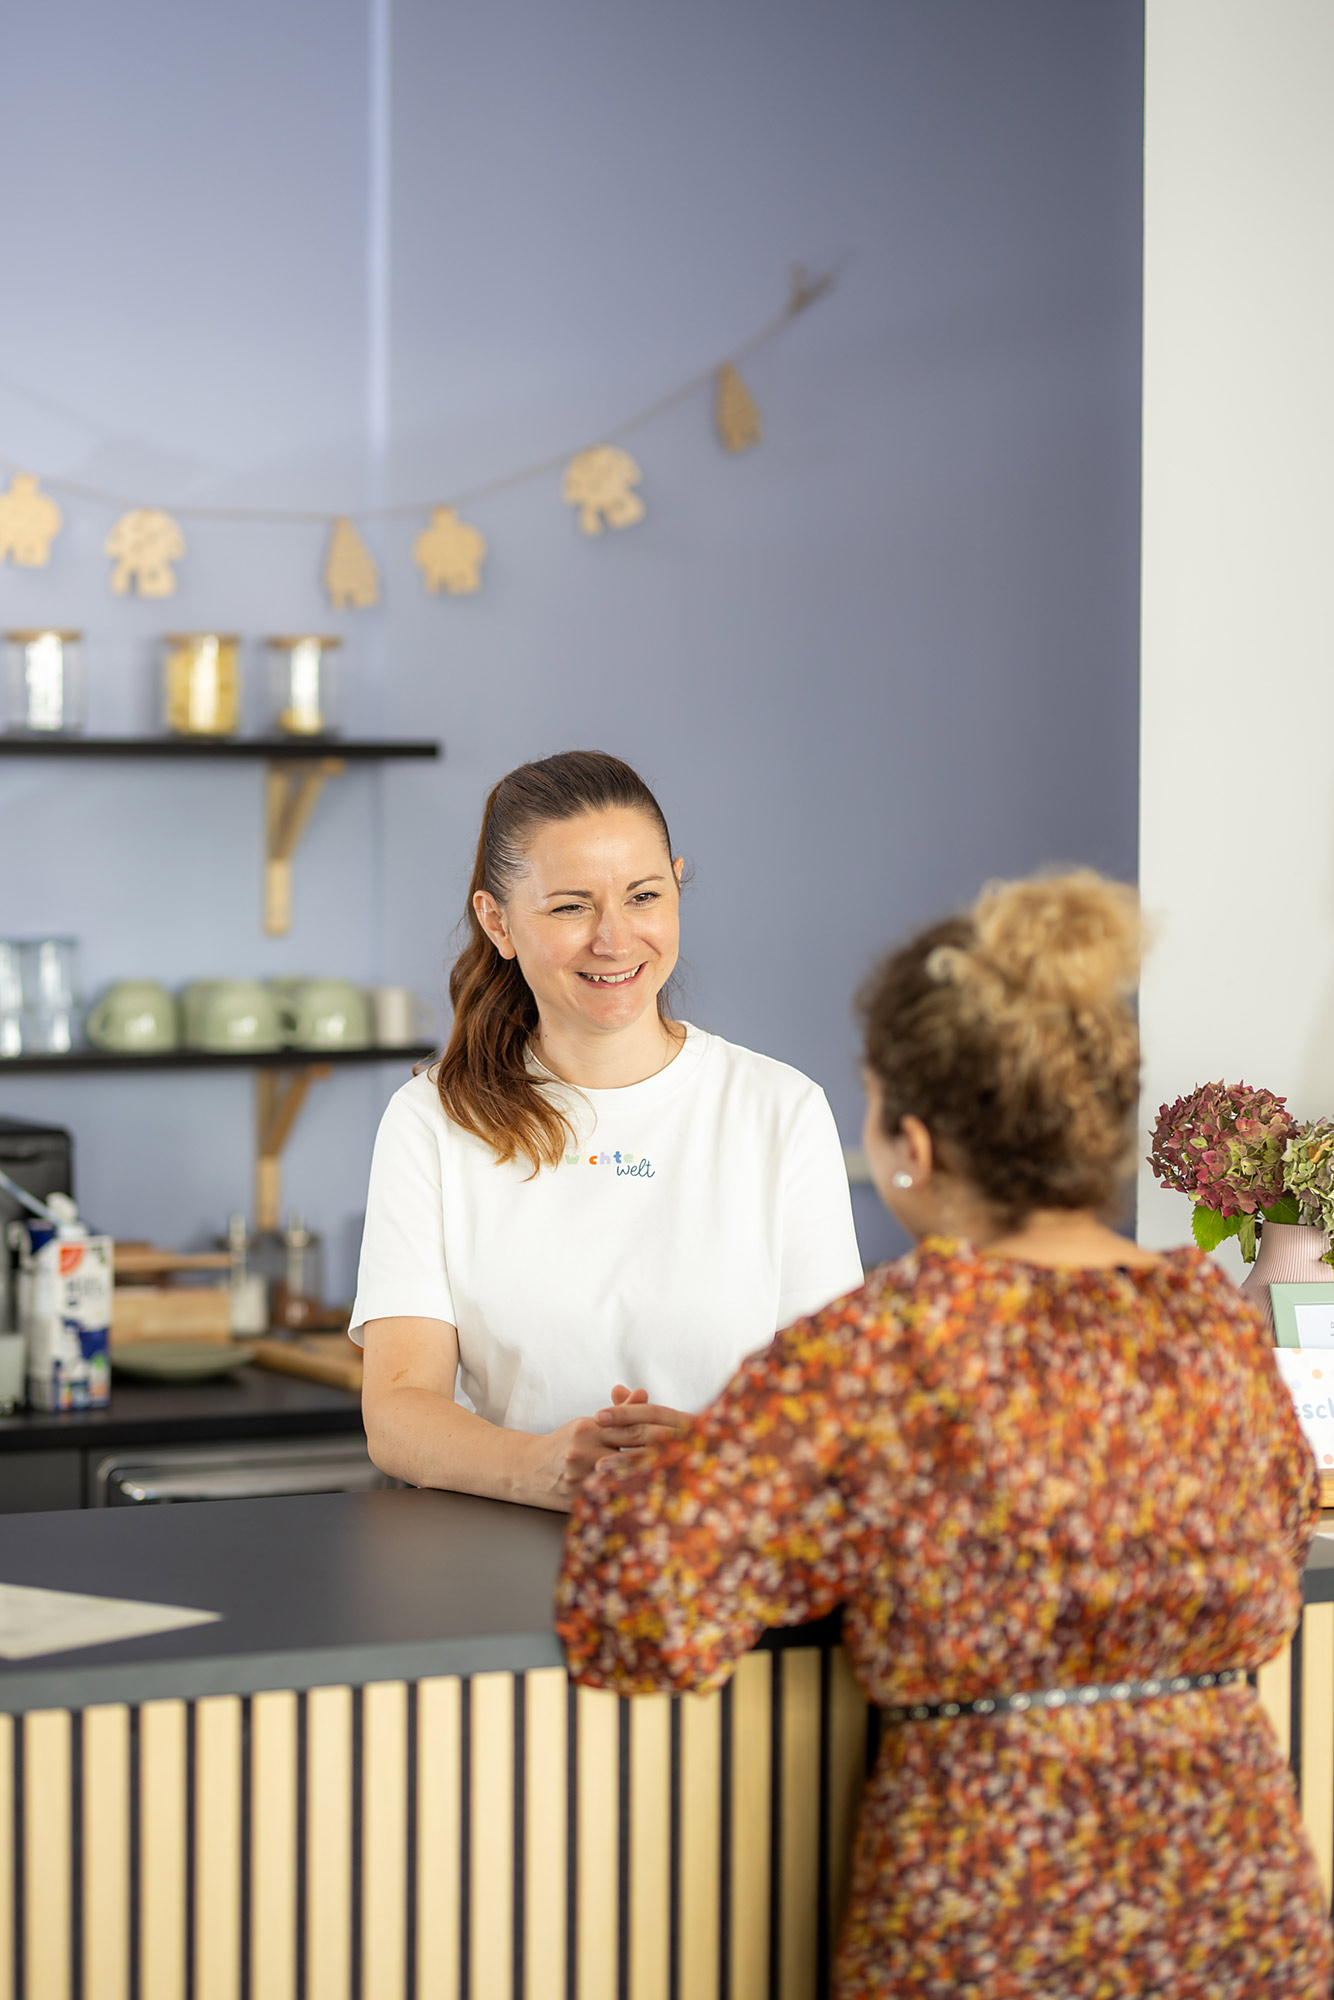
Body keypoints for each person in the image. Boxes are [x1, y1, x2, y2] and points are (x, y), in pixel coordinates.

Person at [557, 869, 1331, 1997]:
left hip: (986, 1917)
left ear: (910, 1141)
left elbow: (642, 1614)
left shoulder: (879, 1348)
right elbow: (1270, 1540)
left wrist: (691, 1463)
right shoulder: (1215, 1324)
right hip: (1238, 1910)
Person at [354, 750, 863, 1512]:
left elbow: (839, 1413)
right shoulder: (433, 1120)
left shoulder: (781, 1110)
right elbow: (396, 1415)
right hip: (494, 1572)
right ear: (499, 922)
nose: (616, 939)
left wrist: (710, 1458)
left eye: (644, 896)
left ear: (677, 888)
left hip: (727, 1571)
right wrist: (542, 1467)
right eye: (570, 907)